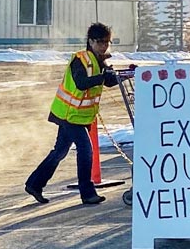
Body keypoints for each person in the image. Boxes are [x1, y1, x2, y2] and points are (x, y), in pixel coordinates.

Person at [24, 22, 120, 205]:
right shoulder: (80, 59)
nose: (104, 46)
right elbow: (81, 82)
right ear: (90, 41)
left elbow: (108, 82)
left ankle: (34, 183)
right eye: (100, 42)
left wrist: (126, 75)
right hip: (69, 115)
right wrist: (103, 76)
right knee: (85, 151)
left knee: (59, 151)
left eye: (107, 42)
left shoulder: (100, 61)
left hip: (78, 116)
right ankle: (87, 193)